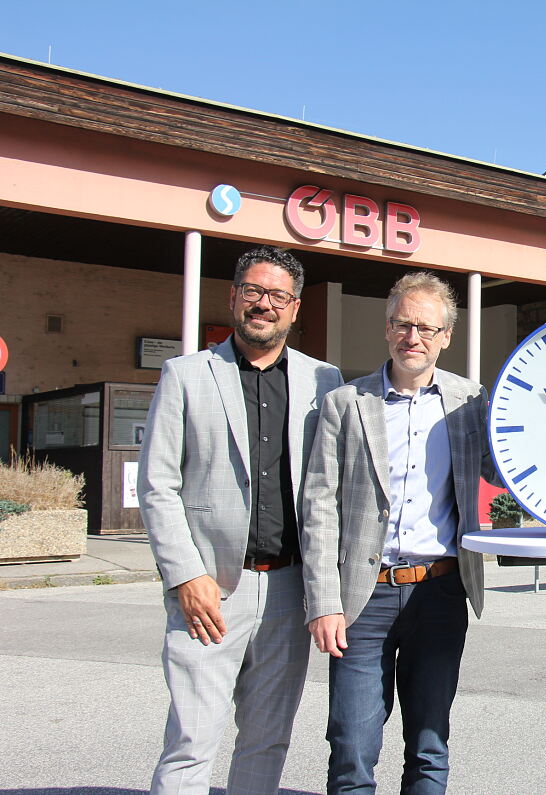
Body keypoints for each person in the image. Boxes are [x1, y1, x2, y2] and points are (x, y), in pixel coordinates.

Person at [138, 245, 343, 793]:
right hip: (210, 591)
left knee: (267, 740)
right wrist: (185, 574)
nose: (264, 304)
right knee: (191, 743)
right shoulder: (185, 374)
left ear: (295, 308)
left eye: (278, 295)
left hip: (289, 589)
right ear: (233, 297)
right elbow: (158, 484)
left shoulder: (325, 381)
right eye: (253, 291)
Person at [301, 271, 498, 794]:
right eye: (403, 325)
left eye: (426, 329)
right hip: (362, 600)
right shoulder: (347, 403)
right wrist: (323, 600)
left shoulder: (470, 402)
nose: (414, 338)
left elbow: (506, 470)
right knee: (350, 745)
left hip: (440, 590)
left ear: (446, 336)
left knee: (430, 745)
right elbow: (319, 505)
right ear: (387, 329)